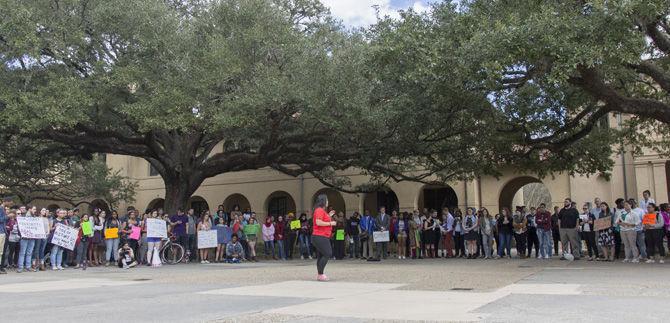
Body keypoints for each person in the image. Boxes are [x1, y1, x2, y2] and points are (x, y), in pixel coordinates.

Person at [311, 194, 336, 282]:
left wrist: (329, 215)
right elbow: (318, 222)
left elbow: (323, 219)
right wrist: (331, 223)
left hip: (320, 236)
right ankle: (321, 274)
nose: (328, 202)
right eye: (327, 200)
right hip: (320, 236)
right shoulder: (319, 210)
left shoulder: (321, 211)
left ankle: (320, 274)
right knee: (327, 253)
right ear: (323, 201)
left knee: (321, 255)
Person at [0, 197, 12, 274]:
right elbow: (0, 219)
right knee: (1, 251)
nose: (10, 205)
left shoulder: (3, 209)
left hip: (3, 231)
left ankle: (1, 267)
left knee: (2, 251)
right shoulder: (1, 209)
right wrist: (8, 216)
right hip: (1, 232)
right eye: (10, 203)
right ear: (6, 201)